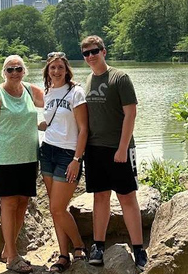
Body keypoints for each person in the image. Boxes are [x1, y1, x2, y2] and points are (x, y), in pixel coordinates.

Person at [80, 35, 147, 268]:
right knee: (100, 197)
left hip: (119, 149)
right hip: (94, 150)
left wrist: (121, 148)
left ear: (103, 51)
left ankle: (139, 249)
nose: (90, 56)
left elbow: (131, 114)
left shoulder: (120, 78)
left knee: (127, 197)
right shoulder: (87, 81)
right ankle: (98, 245)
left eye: (94, 51)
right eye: (86, 53)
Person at [0, 55, 44, 273]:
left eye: (18, 68)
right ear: (4, 72)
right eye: (10, 69)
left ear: (24, 71)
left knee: (23, 203)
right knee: (9, 204)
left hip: (28, 157)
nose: (15, 72)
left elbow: (56, 98)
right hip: (5, 159)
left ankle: (8, 249)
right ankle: (12, 257)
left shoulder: (29, 90)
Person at [38, 52, 89, 273]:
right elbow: (51, 122)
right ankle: (62, 254)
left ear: (66, 70)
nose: (56, 71)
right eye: (52, 68)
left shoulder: (75, 92)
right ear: (48, 71)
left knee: (57, 208)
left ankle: (79, 246)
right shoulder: (48, 93)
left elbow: (84, 129)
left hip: (68, 154)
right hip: (47, 151)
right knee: (54, 207)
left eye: (60, 67)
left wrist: (77, 159)